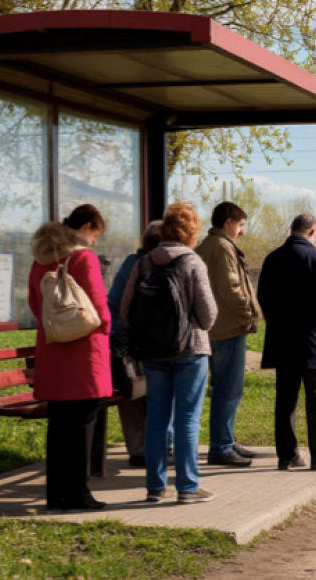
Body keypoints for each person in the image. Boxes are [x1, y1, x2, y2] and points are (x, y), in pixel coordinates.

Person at [122, 202, 218, 503]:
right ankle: (188, 488)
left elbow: (126, 311)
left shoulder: (144, 263)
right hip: (190, 350)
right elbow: (208, 315)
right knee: (187, 419)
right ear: (191, 232)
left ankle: (155, 486)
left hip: (153, 354)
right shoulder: (192, 262)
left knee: (157, 418)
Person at [28, 204, 111, 511]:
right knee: (83, 422)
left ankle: (56, 496)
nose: (95, 242)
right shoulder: (83, 258)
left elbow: (35, 304)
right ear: (86, 227)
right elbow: (99, 309)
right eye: (95, 234)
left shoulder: (40, 260)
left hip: (53, 351)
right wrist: (105, 330)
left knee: (59, 425)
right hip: (84, 353)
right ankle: (79, 495)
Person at [257, 214, 316, 471]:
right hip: (313, 338)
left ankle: (288, 456)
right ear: (312, 231)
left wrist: (276, 322)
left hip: (281, 338)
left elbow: (263, 296)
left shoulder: (272, 258)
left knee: (285, 399)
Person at [196, 202, 261, 467]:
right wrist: (248, 313)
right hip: (228, 327)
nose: (242, 231)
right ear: (228, 222)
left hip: (214, 328)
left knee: (223, 389)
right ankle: (221, 447)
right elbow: (230, 287)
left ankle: (227, 439)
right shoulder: (222, 247)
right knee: (228, 389)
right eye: (241, 224)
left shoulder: (207, 245)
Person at [107, 220, 162, 467]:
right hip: (141, 343)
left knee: (132, 395)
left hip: (122, 341)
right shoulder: (150, 265)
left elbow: (114, 303)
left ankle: (138, 449)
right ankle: (151, 448)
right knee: (148, 395)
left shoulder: (131, 261)